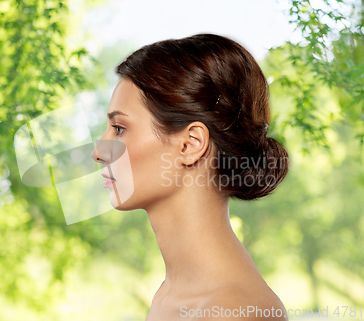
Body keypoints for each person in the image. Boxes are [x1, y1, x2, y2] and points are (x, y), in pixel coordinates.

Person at [92, 33, 289, 321]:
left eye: (119, 128)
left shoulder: (233, 310)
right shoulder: (171, 295)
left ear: (190, 144)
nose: (99, 152)